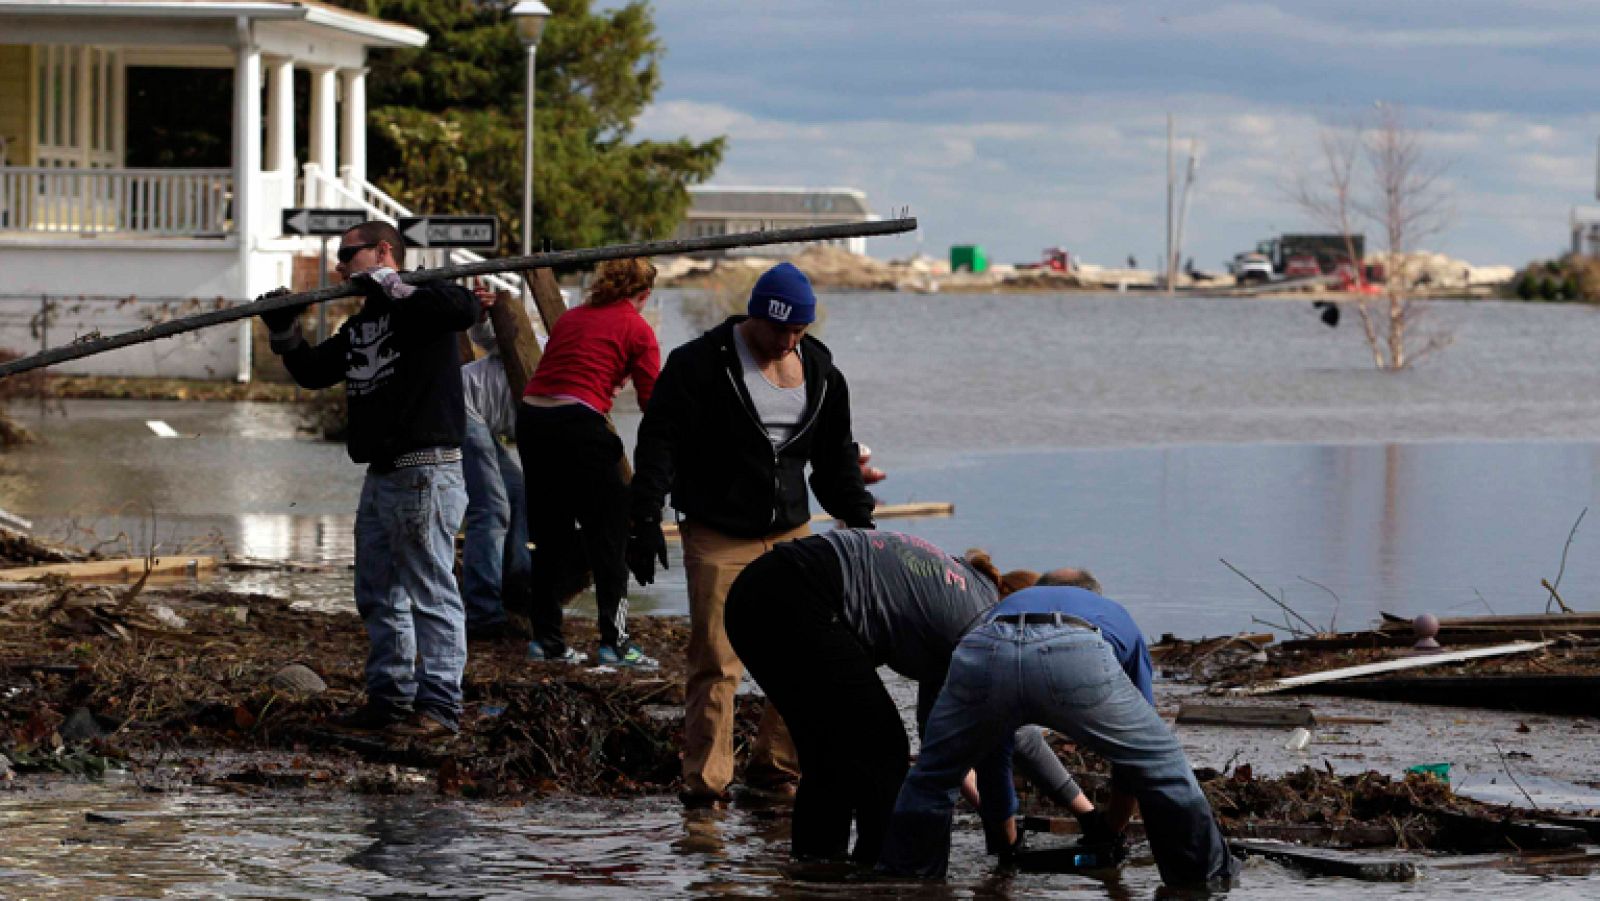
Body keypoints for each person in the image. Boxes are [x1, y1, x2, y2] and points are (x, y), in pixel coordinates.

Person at [628, 261, 877, 808]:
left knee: (810, 655)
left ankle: (774, 767)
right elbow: (659, 443)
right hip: (718, 531)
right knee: (718, 661)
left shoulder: (821, 372)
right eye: (777, 330)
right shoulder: (699, 364)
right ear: (754, 316)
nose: (786, 342)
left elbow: (835, 462)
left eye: (798, 332)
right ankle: (706, 786)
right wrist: (644, 517)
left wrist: (861, 520)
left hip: (793, 529)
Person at [723, 530, 1097, 863]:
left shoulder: (956, 606)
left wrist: (989, 808)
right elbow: (1019, 738)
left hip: (757, 591)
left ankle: (817, 869)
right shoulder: (983, 623)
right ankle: (883, 872)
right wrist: (1088, 815)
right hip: (800, 593)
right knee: (882, 749)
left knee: (829, 756)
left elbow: (939, 743)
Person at [259, 220, 482, 738]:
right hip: (382, 475)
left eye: (348, 255)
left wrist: (391, 282)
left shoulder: (423, 296)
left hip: (426, 468)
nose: (339, 266)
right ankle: (390, 698)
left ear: (383, 251)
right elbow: (316, 371)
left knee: (431, 589)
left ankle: (441, 705)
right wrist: (284, 331)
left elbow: (463, 309)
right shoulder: (363, 324)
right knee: (378, 593)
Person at [878, 581, 1239, 889]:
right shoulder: (1112, 612)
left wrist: (1005, 849)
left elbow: (995, 754)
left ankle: (907, 881)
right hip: (1073, 647)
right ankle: (1202, 882)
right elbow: (1135, 763)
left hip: (984, 646)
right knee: (1163, 766)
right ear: (1092, 594)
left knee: (932, 778)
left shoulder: (1004, 605)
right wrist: (1110, 830)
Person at [518, 257, 661, 667]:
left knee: (549, 536)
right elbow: (654, 401)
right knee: (610, 535)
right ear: (644, 294)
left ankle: (547, 641)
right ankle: (614, 644)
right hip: (579, 423)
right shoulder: (638, 329)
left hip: (533, 418)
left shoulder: (572, 317)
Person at [459, 313, 532, 640]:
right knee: (491, 508)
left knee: (518, 492)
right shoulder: (539, 351)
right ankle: (482, 612)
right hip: (459, 408)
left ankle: (515, 588)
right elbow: (492, 336)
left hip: (485, 427)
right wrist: (483, 315)